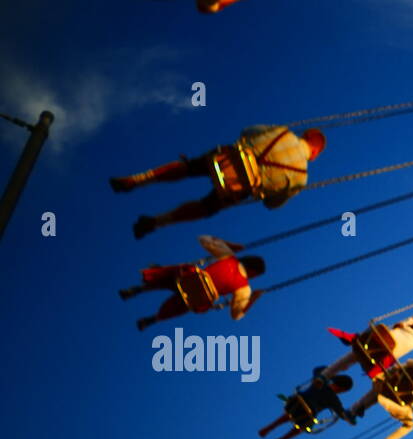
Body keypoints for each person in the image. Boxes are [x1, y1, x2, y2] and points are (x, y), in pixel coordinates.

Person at [110, 124, 325, 239]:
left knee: (188, 168)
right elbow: (272, 204)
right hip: (237, 187)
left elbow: (247, 131)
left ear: (304, 134)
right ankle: (157, 222)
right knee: (206, 208)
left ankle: (137, 179)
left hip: (227, 157)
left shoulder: (283, 132)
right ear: (314, 154)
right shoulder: (301, 177)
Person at [120, 235, 263, 331]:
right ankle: (153, 319)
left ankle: (141, 287)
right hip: (199, 297)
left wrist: (228, 245)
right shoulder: (244, 288)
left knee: (173, 276)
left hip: (188, 278)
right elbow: (236, 314)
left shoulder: (229, 257)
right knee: (178, 308)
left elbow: (203, 239)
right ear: (253, 272)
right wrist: (253, 300)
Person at [258, 366, 356, 439]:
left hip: (297, 402)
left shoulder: (321, 380)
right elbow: (342, 413)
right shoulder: (334, 399)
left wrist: (335, 370)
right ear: (342, 389)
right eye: (342, 391)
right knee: (303, 426)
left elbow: (318, 369)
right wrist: (352, 416)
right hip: (307, 414)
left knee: (289, 415)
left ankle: (269, 428)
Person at [323, 318, 413, 382]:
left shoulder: (402, 326)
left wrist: (412, 320)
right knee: (388, 362)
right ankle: (374, 373)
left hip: (373, 342)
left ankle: (325, 375)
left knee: (351, 357)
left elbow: (405, 323)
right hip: (381, 357)